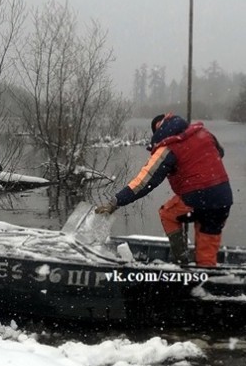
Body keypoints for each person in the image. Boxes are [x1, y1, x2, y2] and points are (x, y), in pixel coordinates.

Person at [95, 113, 232, 267]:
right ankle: (206, 277)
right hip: (223, 198)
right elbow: (219, 153)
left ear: (158, 131)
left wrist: (116, 201)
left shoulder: (168, 147)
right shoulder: (204, 133)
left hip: (197, 197)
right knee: (207, 237)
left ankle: (181, 261)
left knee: (167, 214)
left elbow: (145, 181)